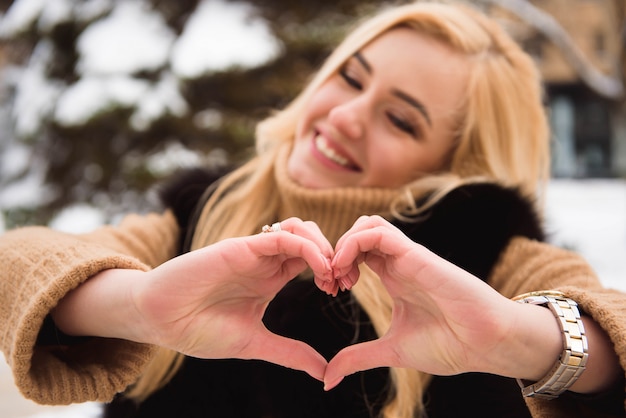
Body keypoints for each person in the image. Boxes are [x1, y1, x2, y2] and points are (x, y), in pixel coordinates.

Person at [0, 1, 624, 417]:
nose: (347, 116)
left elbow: (608, 323)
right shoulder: (203, 214)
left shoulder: (495, 258)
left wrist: (519, 339)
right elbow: (18, 260)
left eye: (400, 119)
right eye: (351, 78)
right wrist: (134, 305)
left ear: (452, 165)